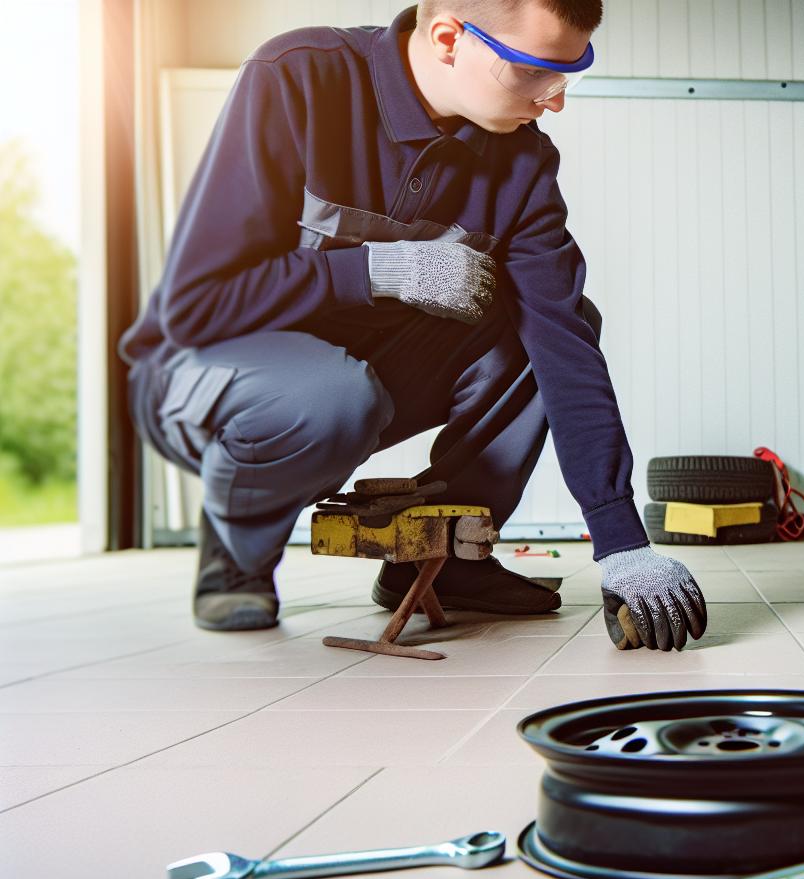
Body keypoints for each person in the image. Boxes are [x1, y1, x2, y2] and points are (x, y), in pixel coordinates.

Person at [118, 0, 707, 651]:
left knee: (540, 330)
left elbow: (563, 340)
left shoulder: (521, 162)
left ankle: (447, 562)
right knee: (330, 396)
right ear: (450, 38)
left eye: (570, 72)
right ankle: (237, 551)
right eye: (535, 70)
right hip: (198, 376)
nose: (555, 100)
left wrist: (619, 539)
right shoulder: (299, 79)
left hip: (354, 378)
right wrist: (372, 270)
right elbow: (195, 305)